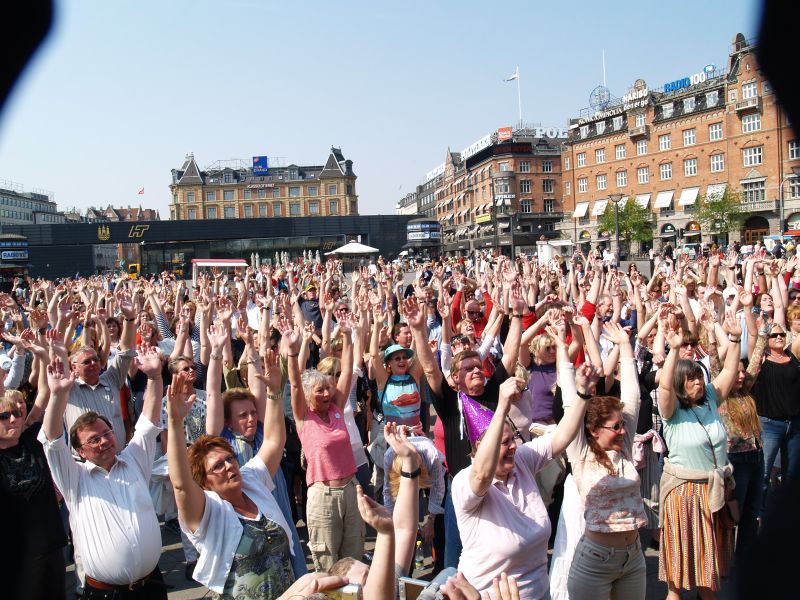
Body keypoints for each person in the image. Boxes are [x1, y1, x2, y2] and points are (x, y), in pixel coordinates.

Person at [452, 340, 589, 600]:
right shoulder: (464, 483)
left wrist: (582, 394)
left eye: (512, 439)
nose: (513, 446)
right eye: (504, 443)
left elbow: (561, 437)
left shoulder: (523, 461)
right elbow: (482, 475)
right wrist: (501, 406)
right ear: (481, 448)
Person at [39, 349, 168, 599]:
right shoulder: (74, 478)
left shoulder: (133, 460)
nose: (104, 442)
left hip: (152, 587)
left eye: (107, 434)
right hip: (106, 595)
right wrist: (57, 395)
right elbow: (52, 441)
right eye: (93, 440)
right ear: (80, 451)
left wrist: (154, 377)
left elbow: (148, 423)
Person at [167, 362, 296, 599]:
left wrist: (276, 393)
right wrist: (175, 424)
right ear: (204, 482)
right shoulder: (207, 511)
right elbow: (181, 484)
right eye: (218, 466)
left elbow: (274, 442)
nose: (228, 466)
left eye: (229, 459)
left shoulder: (250, 479)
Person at [657, 313, 741, 599]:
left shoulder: (709, 399)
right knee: (677, 580)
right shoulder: (672, 412)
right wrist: (673, 350)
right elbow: (665, 387)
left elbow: (729, 373)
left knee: (709, 576)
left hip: (712, 493)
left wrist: (735, 338)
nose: (697, 383)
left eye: (698, 378)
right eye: (691, 379)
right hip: (685, 496)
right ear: (681, 383)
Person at [565, 323, 647, 599]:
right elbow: (569, 406)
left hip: (633, 558)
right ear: (594, 430)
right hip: (595, 562)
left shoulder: (622, 447)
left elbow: (632, 398)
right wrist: (578, 386)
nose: (624, 431)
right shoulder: (580, 452)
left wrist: (625, 346)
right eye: (616, 427)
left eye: (624, 425)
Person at [284, 317, 365, 572]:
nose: (327, 394)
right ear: (308, 395)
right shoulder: (303, 417)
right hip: (323, 497)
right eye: (319, 391)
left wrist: (349, 337)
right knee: (328, 564)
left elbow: (349, 370)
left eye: (328, 389)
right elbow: (295, 383)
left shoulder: (337, 409)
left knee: (354, 561)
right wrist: (293, 352)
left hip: (351, 490)